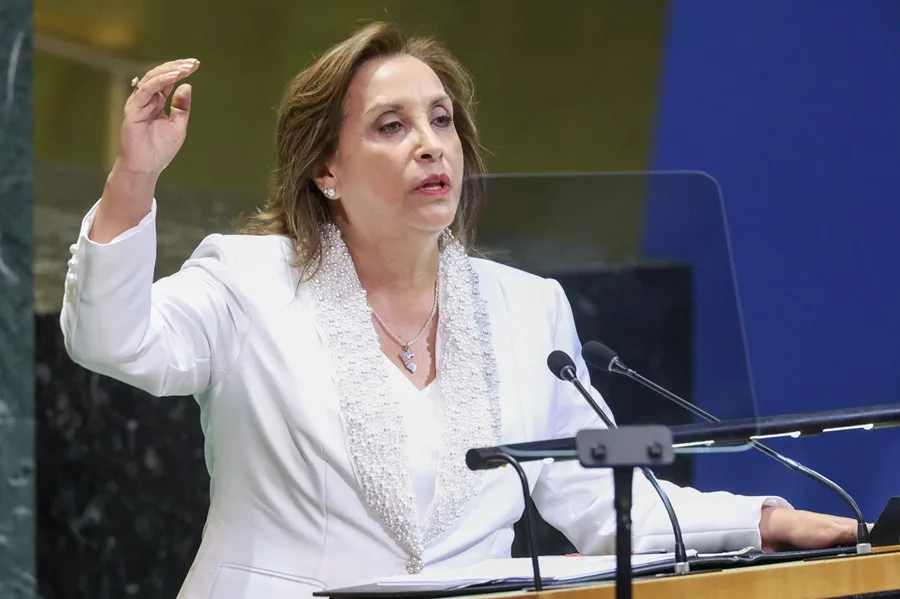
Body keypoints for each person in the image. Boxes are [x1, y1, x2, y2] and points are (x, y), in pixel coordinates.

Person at [61, 21, 860, 599]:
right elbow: (112, 339)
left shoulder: (528, 307)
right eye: (391, 125)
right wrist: (135, 178)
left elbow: (592, 497)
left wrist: (762, 522)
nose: (430, 144)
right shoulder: (246, 281)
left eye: (442, 120)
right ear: (326, 171)